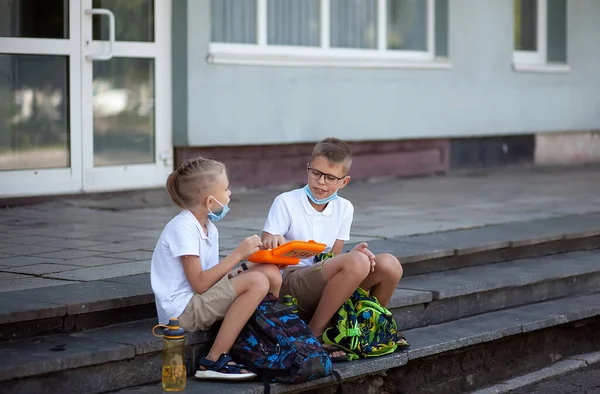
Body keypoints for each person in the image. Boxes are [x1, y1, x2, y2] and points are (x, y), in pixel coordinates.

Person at [261, 138, 405, 361]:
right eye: (315, 173)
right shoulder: (286, 202)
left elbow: (333, 258)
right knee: (356, 261)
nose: (320, 182)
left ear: (344, 181)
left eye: (330, 177)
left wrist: (352, 255)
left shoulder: (344, 208)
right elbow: (265, 249)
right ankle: (316, 335)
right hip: (290, 282)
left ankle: (368, 326)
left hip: (322, 279)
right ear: (308, 168)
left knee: (389, 265)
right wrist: (274, 240)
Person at [151, 157, 282, 381]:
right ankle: (214, 359)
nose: (229, 194)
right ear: (210, 201)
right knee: (257, 281)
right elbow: (200, 284)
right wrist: (238, 256)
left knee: (269, 272)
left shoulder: (208, 227)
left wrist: (250, 262)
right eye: (226, 189)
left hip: (199, 299)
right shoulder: (183, 228)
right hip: (181, 312)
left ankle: (264, 338)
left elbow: (213, 278)